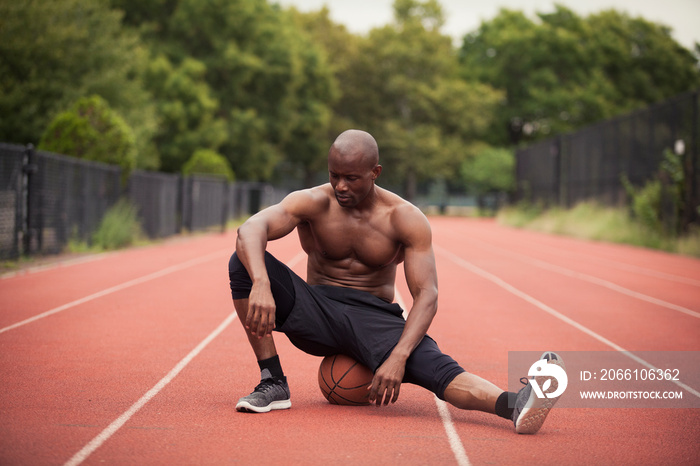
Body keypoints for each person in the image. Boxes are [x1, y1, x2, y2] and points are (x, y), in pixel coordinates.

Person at [229, 129, 564, 434]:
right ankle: (272, 381)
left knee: (439, 370)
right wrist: (261, 282)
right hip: (317, 310)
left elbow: (427, 294)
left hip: (373, 319)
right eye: (334, 176)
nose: (341, 186)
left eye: (351, 178)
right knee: (241, 262)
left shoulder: (404, 218)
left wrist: (399, 356)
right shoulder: (314, 202)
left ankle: (514, 404)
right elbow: (250, 229)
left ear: (375, 173)